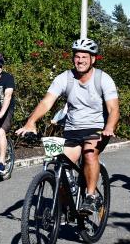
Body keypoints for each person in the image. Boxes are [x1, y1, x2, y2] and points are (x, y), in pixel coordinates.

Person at [16, 38, 119, 213]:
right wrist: (30, 122)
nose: (80, 60)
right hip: (72, 129)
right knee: (60, 168)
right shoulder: (64, 78)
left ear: (92, 59)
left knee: (89, 155)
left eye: (84, 57)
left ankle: (90, 196)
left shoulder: (103, 78)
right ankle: (65, 209)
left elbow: (113, 109)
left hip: (96, 128)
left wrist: (109, 127)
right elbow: (47, 102)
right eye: (77, 56)